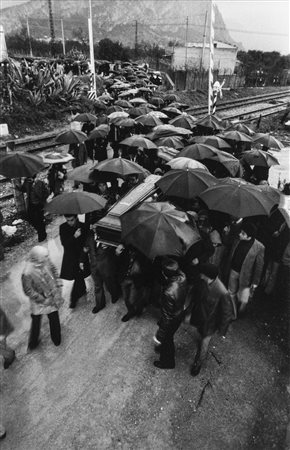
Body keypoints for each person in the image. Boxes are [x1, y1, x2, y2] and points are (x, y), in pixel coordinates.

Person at [189, 263, 233, 376]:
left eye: (202, 273)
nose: (200, 274)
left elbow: (227, 313)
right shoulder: (203, 281)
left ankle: (197, 364)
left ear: (207, 275)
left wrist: (222, 330)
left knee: (204, 344)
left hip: (210, 323)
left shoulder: (222, 291)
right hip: (201, 316)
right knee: (200, 334)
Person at [21, 246, 63, 350]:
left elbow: (53, 269)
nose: (48, 257)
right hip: (39, 301)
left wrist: (58, 281)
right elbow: (28, 290)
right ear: (37, 258)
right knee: (36, 320)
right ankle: (33, 342)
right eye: (45, 256)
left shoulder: (46, 260)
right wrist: (43, 299)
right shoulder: (27, 272)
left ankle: (56, 339)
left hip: (51, 296)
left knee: (54, 317)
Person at [153, 257, 188, 369]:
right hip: (180, 312)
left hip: (172, 318)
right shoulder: (182, 276)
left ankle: (167, 362)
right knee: (169, 338)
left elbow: (167, 316)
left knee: (168, 339)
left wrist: (160, 335)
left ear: (164, 273)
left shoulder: (168, 292)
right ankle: (164, 348)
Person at [225, 222, 265, 317]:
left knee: (243, 298)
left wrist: (255, 282)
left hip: (247, 277)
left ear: (249, 236)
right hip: (233, 271)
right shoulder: (237, 240)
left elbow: (259, 266)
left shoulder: (259, 247)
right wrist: (226, 233)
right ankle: (232, 314)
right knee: (231, 293)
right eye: (241, 232)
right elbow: (228, 244)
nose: (240, 234)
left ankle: (241, 313)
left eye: (243, 233)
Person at [80, 223, 120, 314]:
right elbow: (85, 248)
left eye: (96, 226)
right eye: (93, 226)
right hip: (94, 267)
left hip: (106, 267)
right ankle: (100, 304)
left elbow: (116, 251)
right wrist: (81, 260)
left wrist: (110, 248)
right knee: (97, 286)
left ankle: (115, 294)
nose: (94, 228)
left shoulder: (107, 237)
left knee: (110, 284)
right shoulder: (90, 236)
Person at [59, 215, 89, 309]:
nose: (70, 222)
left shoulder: (83, 226)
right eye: (68, 220)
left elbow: (86, 241)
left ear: (76, 218)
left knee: (79, 275)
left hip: (81, 256)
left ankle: (80, 291)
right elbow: (65, 244)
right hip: (71, 258)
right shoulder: (63, 227)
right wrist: (74, 236)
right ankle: (73, 299)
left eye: (72, 220)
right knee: (78, 276)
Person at [18, 174, 49, 242]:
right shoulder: (27, 181)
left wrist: (33, 185)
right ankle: (40, 231)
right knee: (30, 218)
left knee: (40, 219)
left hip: (39, 203)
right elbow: (23, 189)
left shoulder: (39, 182)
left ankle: (42, 235)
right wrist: (19, 186)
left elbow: (42, 194)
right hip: (31, 203)